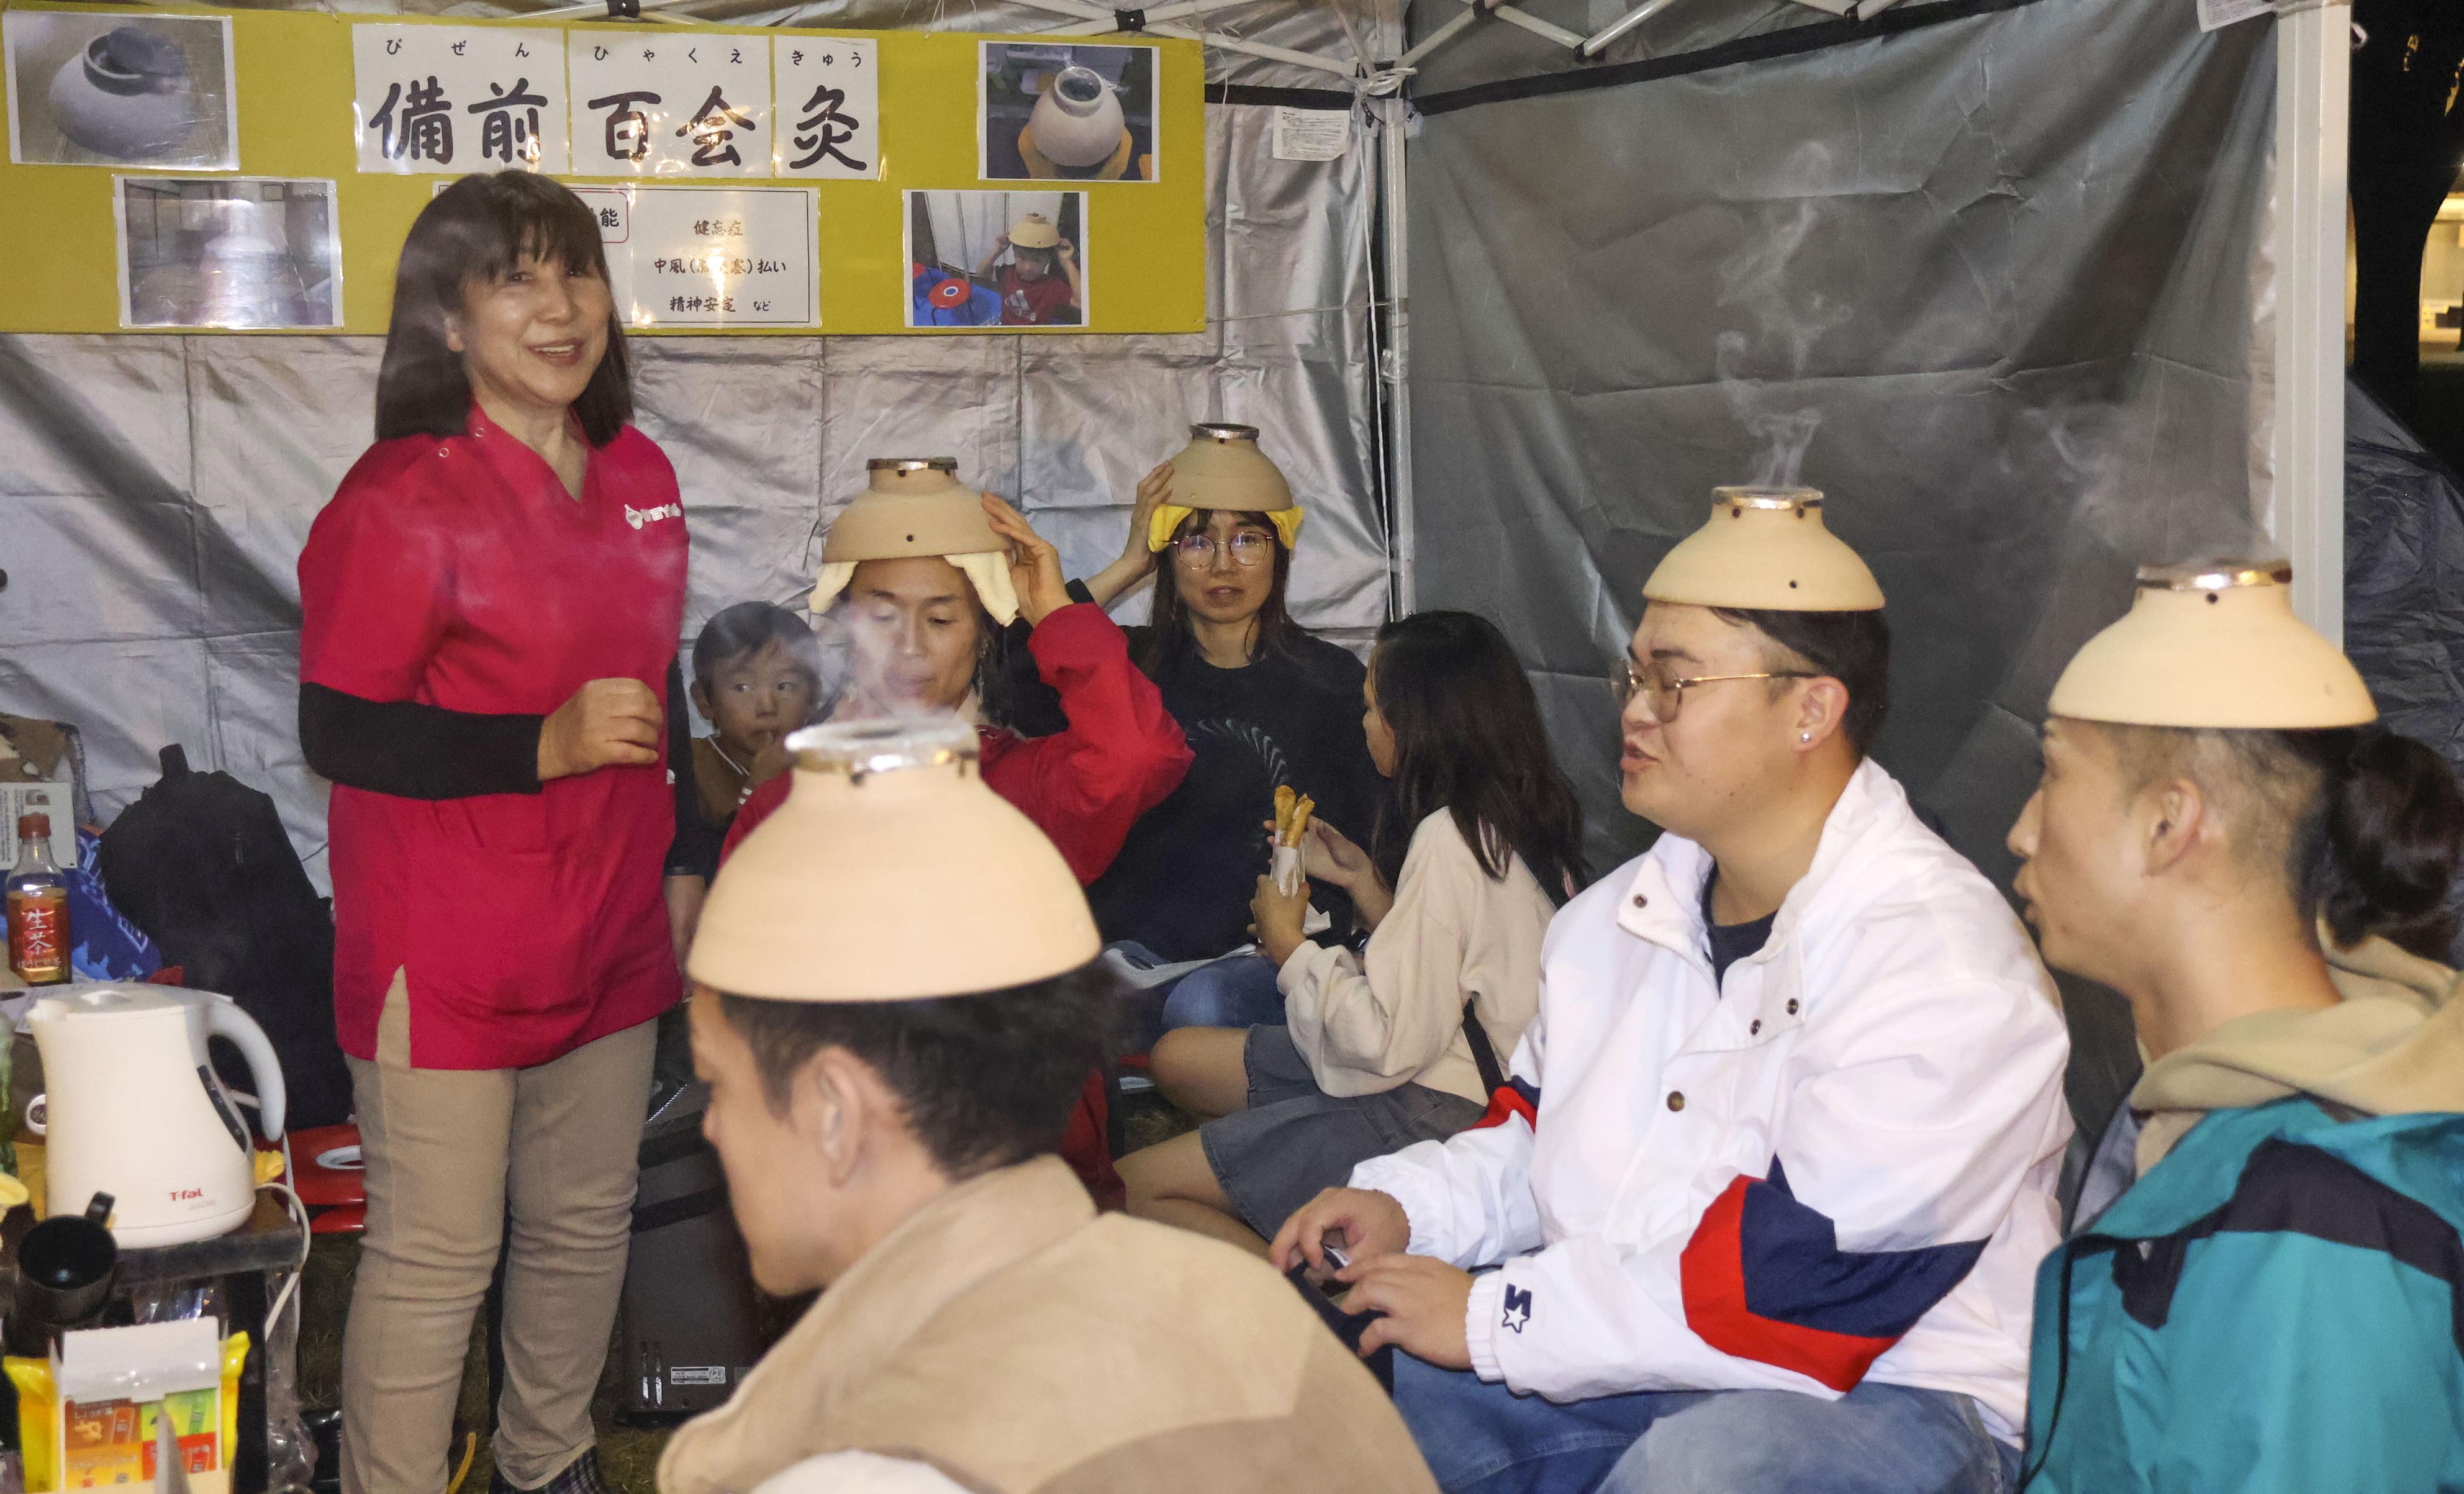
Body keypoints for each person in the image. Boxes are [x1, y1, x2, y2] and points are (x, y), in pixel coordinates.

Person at [1274, 489, 2074, 1494]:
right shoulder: (1607, 922)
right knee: (1332, 1394)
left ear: (1811, 710)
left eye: (1676, 682)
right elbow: (1530, 1139)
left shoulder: (1938, 962)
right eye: (1634, 674)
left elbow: (1800, 1297)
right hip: (1636, 1351)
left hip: (1888, 1390)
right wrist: (1400, 1205)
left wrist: (1489, 1317)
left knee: (1702, 1474)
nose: (1635, 710)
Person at [659, 716, 1438, 1494]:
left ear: (837, 1109)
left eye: (725, 1086)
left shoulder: (884, 1455)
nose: (712, 1127)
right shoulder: (1242, 1322)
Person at [296, 172, 683, 1494]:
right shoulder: (402, 496)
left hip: (612, 926)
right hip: (448, 948)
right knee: (437, 1252)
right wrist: (539, 745)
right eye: (516, 277)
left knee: (583, 1227)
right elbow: (338, 732)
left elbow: (657, 678)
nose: (561, 306)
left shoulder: (640, 471)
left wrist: (683, 865)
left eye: (575, 273)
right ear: (448, 322)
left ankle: (545, 1464)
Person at [2004, 557, 2464, 1493]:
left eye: (2051, 773)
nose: (2021, 829)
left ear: (2171, 823)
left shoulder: (2318, 1220)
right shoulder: (2214, 1123)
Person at [723, 458, 1192, 1205]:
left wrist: (1056, 614)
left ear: (981, 637)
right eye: (881, 616)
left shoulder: (1022, 788)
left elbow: (1138, 755)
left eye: (941, 619)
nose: (909, 647)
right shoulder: (782, 810)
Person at [1118, 611, 1587, 1257]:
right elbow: (1451, 973)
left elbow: (1381, 1044)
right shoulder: (1514, 818)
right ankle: (1273, 1177)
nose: (1364, 723)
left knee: (1127, 1189)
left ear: (1411, 722)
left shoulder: (1449, 839)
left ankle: (1316, 1310)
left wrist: (1290, 947)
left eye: (1371, 708)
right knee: (1179, 1058)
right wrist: (1364, 883)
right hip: (1451, 1070)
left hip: (1439, 1109)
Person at [1077, 423, 1387, 1035]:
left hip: (1256, 961)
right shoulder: (1123, 667)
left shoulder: (1330, 681)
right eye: (1196, 541)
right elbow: (1003, 668)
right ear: (1167, 554)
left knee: (1204, 1008)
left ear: (1281, 551)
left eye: (1247, 539)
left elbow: (1375, 839)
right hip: (1129, 958)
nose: (1223, 564)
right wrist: (1128, 563)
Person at [663, 602, 825, 962]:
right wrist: (759, 790)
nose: (766, 706)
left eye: (785, 685)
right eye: (742, 687)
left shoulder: (824, 768)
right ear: (705, 702)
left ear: (813, 697)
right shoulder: (693, 770)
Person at [972, 213, 1082, 328]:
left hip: (1035, 335)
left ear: (1048, 260)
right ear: (1014, 255)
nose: (1028, 268)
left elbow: (1081, 302)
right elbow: (981, 272)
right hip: (1006, 325)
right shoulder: (1008, 273)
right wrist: (998, 250)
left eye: (1037, 261)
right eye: (1021, 258)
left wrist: (1066, 262)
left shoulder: (1052, 286)